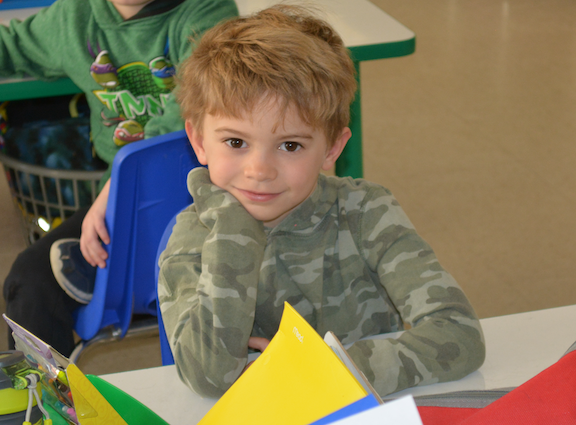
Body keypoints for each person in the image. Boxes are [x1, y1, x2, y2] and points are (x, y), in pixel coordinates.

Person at [158, 4, 486, 399]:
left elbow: (460, 334)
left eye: (291, 145)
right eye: (236, 142)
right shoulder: (193, 239)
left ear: (332, 147)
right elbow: (208, 378)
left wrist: (327, 368)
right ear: (198, 141)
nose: (259, 170)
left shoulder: (367, 211)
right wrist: (234, 232)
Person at [1, 0, 238, 356]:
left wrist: (117, 186)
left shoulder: (207, 11)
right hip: (120, 216)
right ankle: (50, 409)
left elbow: (201, 104)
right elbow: (13, 45)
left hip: (216, 202)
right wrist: (115, 196)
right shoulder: (75, 17)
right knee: (30, 279)